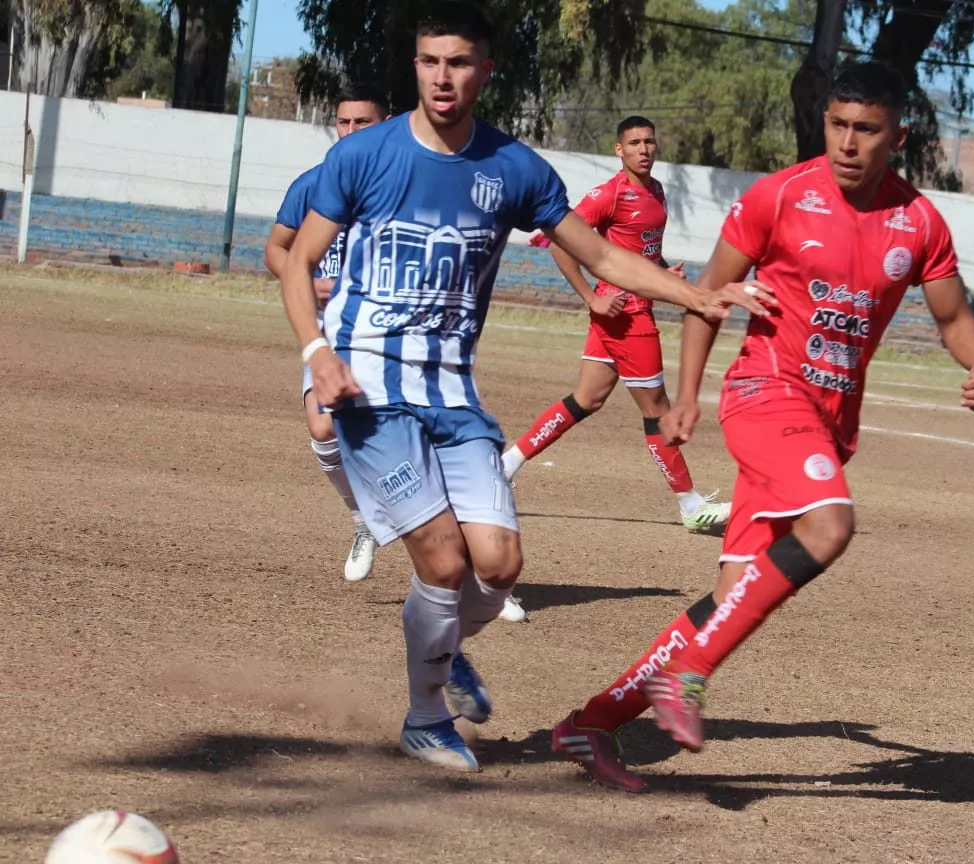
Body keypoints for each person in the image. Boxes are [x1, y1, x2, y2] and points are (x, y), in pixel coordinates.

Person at [277, 1, 775, 774]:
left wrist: (701, 296)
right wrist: (317, 353)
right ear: (416, 66)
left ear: (486, 69)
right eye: (431, 61)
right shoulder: (363, 156)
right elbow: (298, 260)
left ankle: (439, 656)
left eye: (460, 62)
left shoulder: (513, 169)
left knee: (499, 566)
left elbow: (605, 259)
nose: (444, 77)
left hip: (453, 394)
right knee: (443, 564)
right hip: (369, 390)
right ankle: (424, 717)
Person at [549, 61, 974, 793]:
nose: (848, 143)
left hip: (827, 422)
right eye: (837, 125)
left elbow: (954, 319)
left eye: (866, 130)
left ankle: (591, 723)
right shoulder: (781, 195)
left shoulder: (919, 221)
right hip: (766, 395)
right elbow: (707, 297)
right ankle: (688, 675)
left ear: (899, 136)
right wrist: (688, 397)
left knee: (732, 598)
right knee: (829, 526)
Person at [500, 116, 731, 535]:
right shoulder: (609, 194)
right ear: (618, 150)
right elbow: (560, 242)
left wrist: (664, 273)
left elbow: (638, 254)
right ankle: (690, 504)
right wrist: (592, 297)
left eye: (649, 141)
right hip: (625, 314)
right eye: (634, 143)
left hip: (631, 306)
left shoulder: (657, 191)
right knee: (657, 409)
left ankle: (507, 463)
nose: (644, 149)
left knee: (586, 398)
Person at [264, 85, 388, 582]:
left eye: (363, 122)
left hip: (388, 333)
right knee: (321, 429)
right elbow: (276, 249)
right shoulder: (312, 183)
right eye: (344, 122)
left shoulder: (398, 185)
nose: (352, 131)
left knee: (416, 441)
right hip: (330, 333)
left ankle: (482, 575)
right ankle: (363, 521)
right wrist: (306, 280)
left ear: (387, 124)